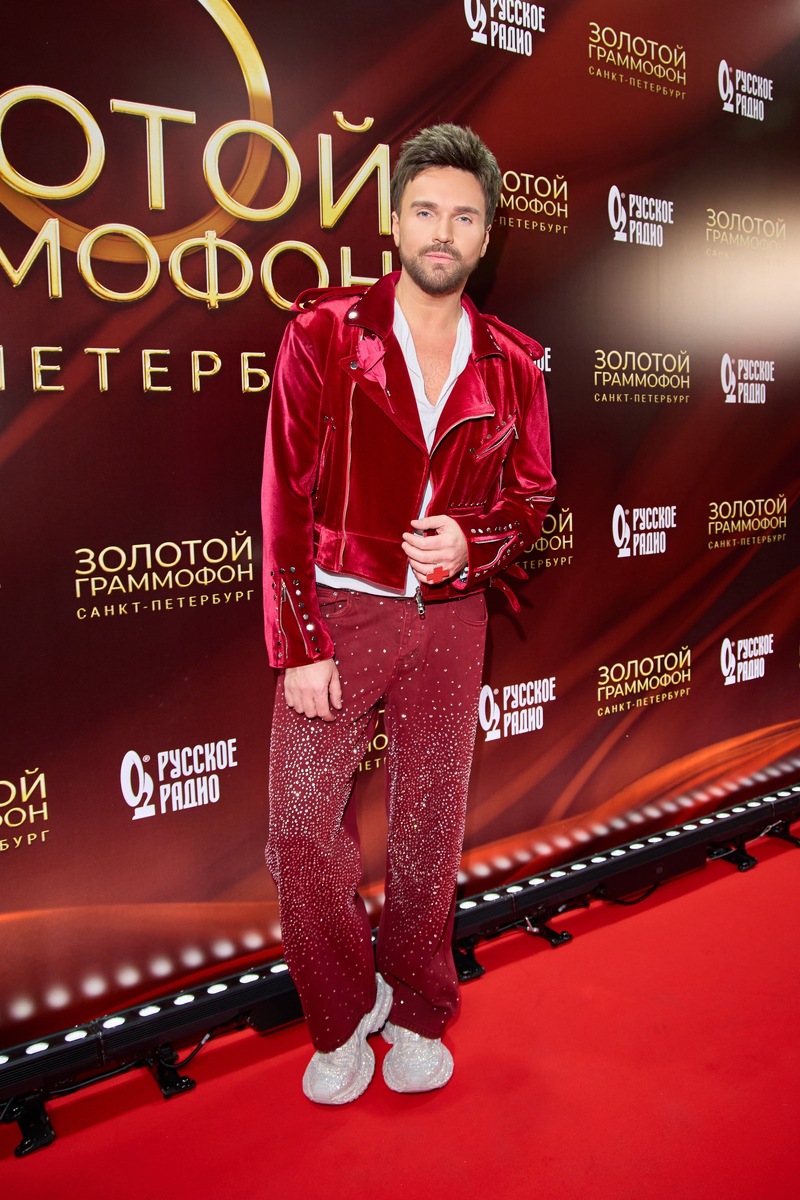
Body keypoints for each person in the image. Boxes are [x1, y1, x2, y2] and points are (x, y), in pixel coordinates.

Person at [261, 124, 555, 1105]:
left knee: (429, 829)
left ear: (486, 236)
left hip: (452, 619)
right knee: (299, 832)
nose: (442, 231)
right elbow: (283, 495)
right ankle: (346, 1012)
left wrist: (475, 540)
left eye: (463, 217)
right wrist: (299, 640)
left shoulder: (514, 364)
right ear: (394, 221)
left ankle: (420, 1006)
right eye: (425, 210)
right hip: (338, 611)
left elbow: (531, 498)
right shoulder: (323, 332)